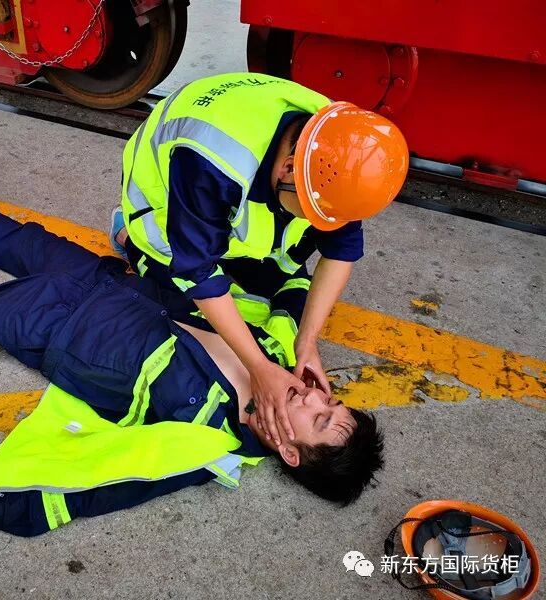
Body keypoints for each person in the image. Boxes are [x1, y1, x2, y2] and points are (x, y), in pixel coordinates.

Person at [0, 150, 384, 540]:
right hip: (112, 283)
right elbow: (290, 287)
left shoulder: (206, 445)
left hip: (56, 329)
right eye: (332, 401)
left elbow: (104, 485)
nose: (315, 397)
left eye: (318, 418)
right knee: (22, 240)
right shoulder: (283, 354)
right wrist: (307, 326)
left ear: (290, 453)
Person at [111, 72, 409, 450]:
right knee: (174, 287)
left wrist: (306, 342)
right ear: (288, 169)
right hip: (165, 204)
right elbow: (198, 272)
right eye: (311, 212)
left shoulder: (335, 147)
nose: (313, 397)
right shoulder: (212, 160)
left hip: (229, 191)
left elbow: (341, 249)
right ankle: (126, 234)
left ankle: (229, 240)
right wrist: (258, 367)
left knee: (273, 270)